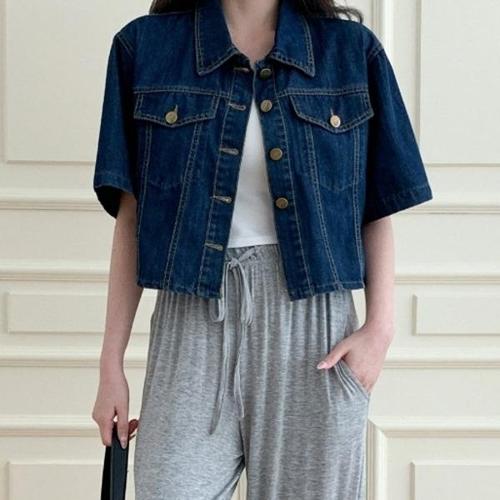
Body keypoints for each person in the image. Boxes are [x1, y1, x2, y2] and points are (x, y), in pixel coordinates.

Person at [91, 0, 433, 498]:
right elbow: (132, 219)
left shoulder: (350, 52)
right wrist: (110, 364)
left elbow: (375, 207)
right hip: (190, 323)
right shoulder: (144, 48)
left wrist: (380, 329)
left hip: (312, 330)